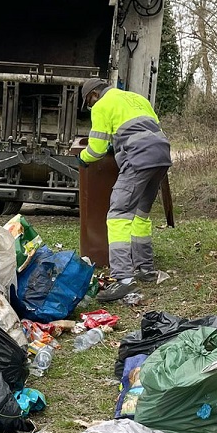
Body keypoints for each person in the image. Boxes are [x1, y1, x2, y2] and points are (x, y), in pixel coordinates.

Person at [77, 78, 172, 302]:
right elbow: (145, 129)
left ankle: (124, 280)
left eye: (89, 103)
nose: (91, 106)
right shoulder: (137, 98)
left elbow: (97, 148)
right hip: (161, 155)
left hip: (138, 159)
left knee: (118, 215)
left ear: (93, 95)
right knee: (141, 215)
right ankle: (145, 269)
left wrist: (83, 158)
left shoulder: (101, 105)